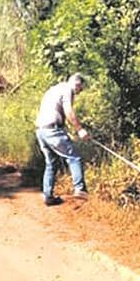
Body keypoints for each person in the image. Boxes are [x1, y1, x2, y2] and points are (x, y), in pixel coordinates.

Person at [34, 73, 91, 206]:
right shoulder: (67, 90)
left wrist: (64, 129)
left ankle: (48, 196)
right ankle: (80, 189)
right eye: (80, 89)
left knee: (51, 163)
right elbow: (69, 111)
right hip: (52, 130)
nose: (78, 92)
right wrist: (80, 129)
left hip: (41, 131)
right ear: (77, 84)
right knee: (74, 157)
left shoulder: (53, 89)